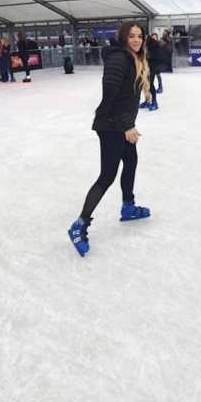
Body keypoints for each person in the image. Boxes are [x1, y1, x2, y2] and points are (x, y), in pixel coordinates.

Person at [67, 21, 152, 257]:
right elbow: (110, 94)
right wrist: (126, 125)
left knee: (131, 162)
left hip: (121, 123)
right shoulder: (118, 58)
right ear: (123, 37)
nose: (136, 40)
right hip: (111, 124)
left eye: (140, 36)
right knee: (107, 176)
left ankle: (128, 207)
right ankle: (79, 225)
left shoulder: (132, 57)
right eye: (132, 36)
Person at [140, 33, 161, 111]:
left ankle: (154, 101)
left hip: (152, 66)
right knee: (144, 84)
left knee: (150, 83)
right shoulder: (144, 42)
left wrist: (148, 59)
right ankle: (147, 99)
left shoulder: (153, 44)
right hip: (145, 65)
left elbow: (157, 56)